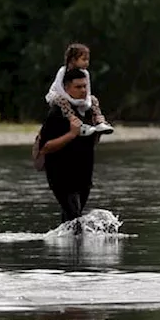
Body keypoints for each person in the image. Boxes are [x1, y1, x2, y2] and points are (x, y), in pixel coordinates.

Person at [36, 68, 103, 227]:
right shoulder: (58, 113)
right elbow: (44, 148)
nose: (83, 90)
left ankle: (62, 249)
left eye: (85, 86)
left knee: (71, 222)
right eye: (78, 87)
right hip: (62, 177)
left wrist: (98, 130)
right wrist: (71, 134)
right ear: (66, 89)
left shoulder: (88, 111)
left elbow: (91, 142)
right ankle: (70, 249)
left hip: (84, 176)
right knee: (75, 219)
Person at [45, 43, 114, 136]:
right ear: (73, 59)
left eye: (88, 60)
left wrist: (85, 102)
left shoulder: (85, 73)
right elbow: (59, 88)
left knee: (93, 99)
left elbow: (88, 91)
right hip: (59, 96)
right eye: (84, 59)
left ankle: (99, 121)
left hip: (77, 97)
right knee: (61, 100)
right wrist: (72, 100)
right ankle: (75, 122)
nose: (87, 63)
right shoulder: (63, 71)